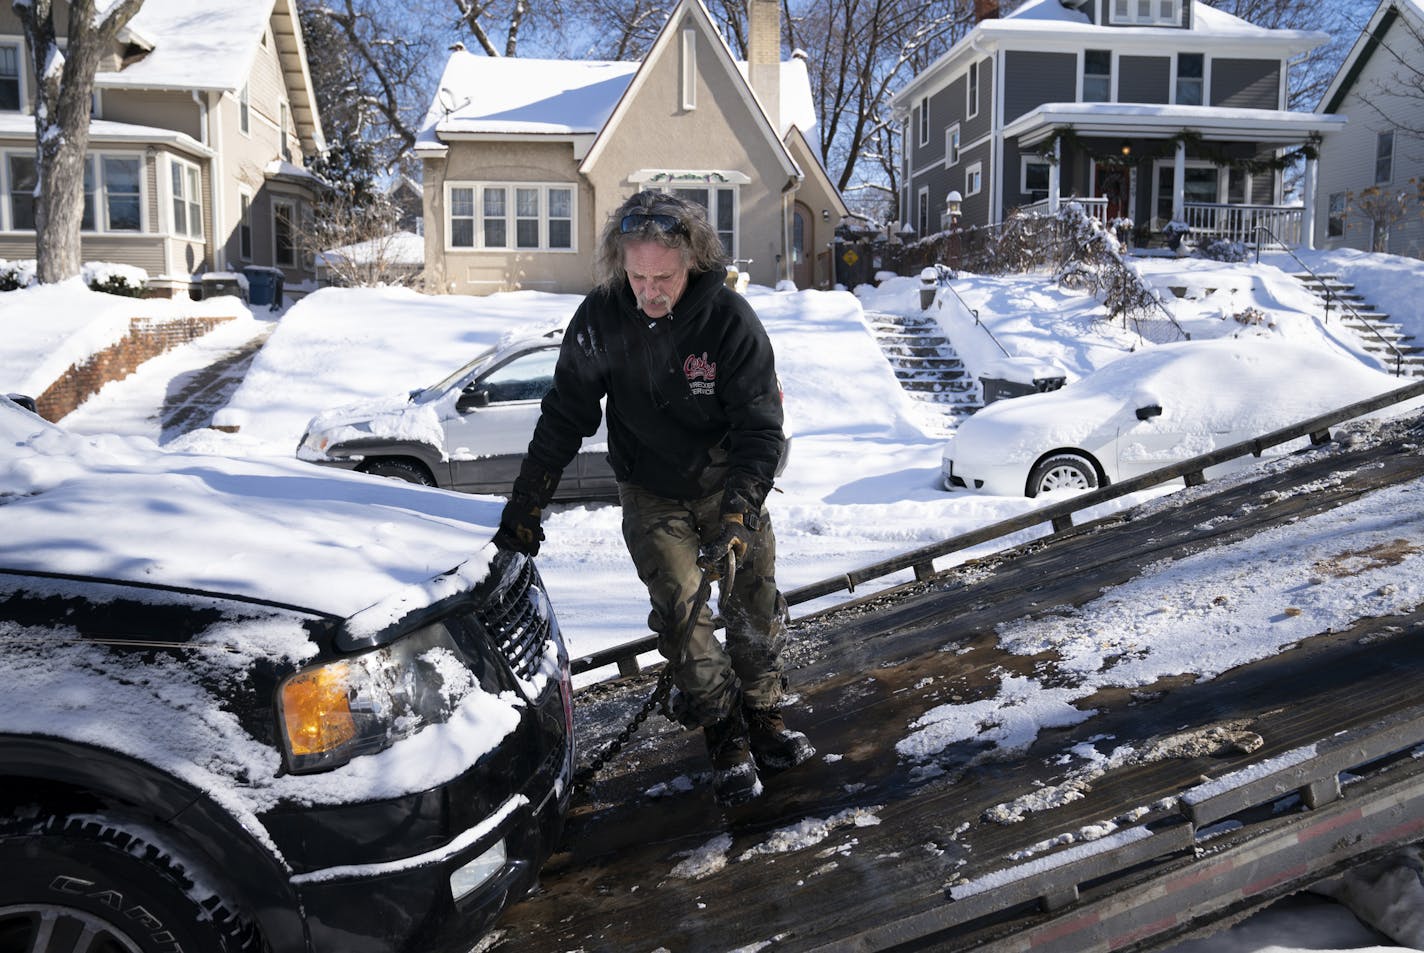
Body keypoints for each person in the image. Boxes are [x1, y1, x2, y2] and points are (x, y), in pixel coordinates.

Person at [494, 190, 814, 806]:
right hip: (650, 489)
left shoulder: (729, 321)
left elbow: (759, 428)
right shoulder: (602, 318)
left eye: (662, 277)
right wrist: (528, 499)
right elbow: (565, 415)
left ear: (691, 261)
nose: (649, 291)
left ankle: (766, 717)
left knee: (753, 601)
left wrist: (741, 511)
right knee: (681, 609)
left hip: (728, 482)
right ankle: (724, 737)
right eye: (637, 276)